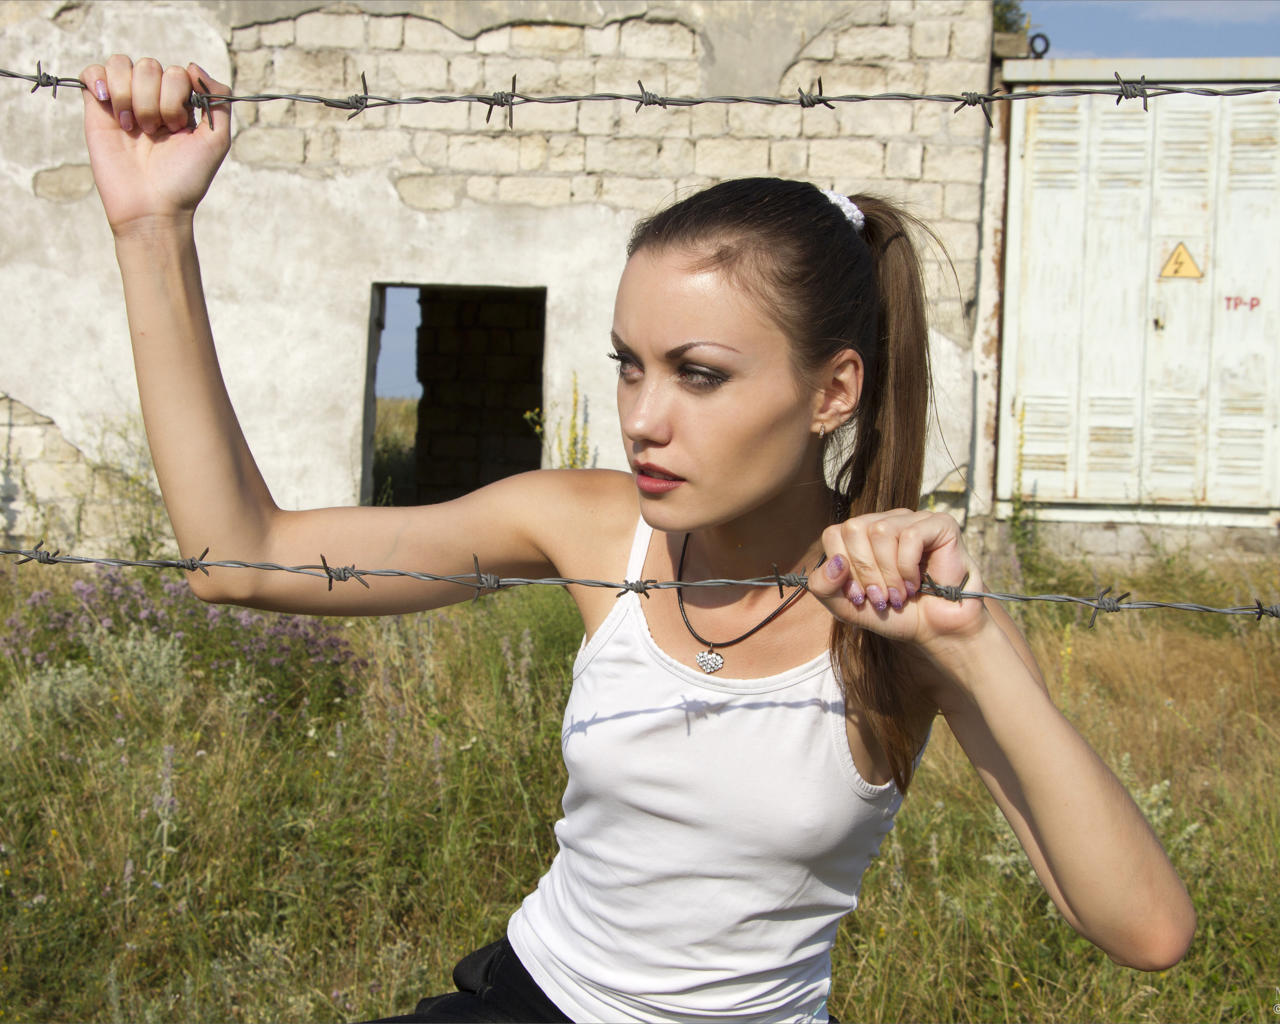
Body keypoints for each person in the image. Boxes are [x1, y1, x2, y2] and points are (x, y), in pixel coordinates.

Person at [78, 56, 1195, 1024]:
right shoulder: (592, 527)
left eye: (698, 374)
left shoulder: (910, 624)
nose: (643, 418)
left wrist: (975, 646)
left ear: (832, 391)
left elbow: (1146, 931)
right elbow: (237, 556)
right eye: (628, 365)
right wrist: (151, 226)